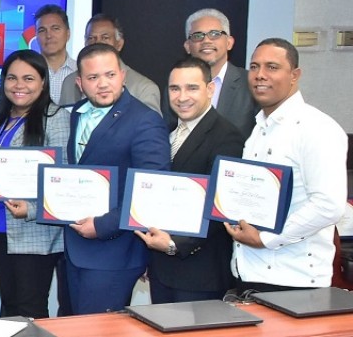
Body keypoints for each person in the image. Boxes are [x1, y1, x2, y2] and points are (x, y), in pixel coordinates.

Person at [225, 38, 348, 293]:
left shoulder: (317, 129)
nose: (260, 75)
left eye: (272, 67)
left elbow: (329, 205)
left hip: (294, 282)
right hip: (252, 275)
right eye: (254, 66)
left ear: (295, 75)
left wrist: (266, 240)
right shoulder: (259, 127)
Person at [62, 44, 169, 314]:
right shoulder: (76, 113)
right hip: (76, 249)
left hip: (115, 251)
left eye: (109, 75)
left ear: (122, 76)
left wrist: (103, 225)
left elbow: (153, 192)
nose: (102, 84)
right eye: (93, 77)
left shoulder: (145, 120)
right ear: (80, 83)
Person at [134, 57, 244, 303]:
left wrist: (173, 243)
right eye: (175, 88)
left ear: (210, 89)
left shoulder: (228, 136)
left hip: (199, 273)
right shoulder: (167, 131)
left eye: (192, 88)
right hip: (162, 266)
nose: (182, 97)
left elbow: (221, 207)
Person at [0, 50, 70, 319]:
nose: (19, 85)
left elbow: (62, 179)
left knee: (30, 309)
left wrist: (30, 209)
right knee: (9, 305)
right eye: (12, 78)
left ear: (43, 82)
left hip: (33, 231)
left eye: (28, 78)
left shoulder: (56, 118)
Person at [167, 9, 258, 136]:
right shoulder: (174, 88)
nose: (206, 41)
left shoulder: (250, 85)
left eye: (215, 34)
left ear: (229, 42)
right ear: (188, 46)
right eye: (198, 35)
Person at [58, 14, 161, 112]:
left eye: (105, 38)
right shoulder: (69, 82)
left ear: (119, 44)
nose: (97, 43)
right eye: (91, 38)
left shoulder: (144, 89)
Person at [34, 5, 76, 104]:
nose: (49, 35)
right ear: (36, 36)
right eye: (42, 30)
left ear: (68, 34)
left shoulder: (81, 71)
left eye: (55, 28)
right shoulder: (28, 72)